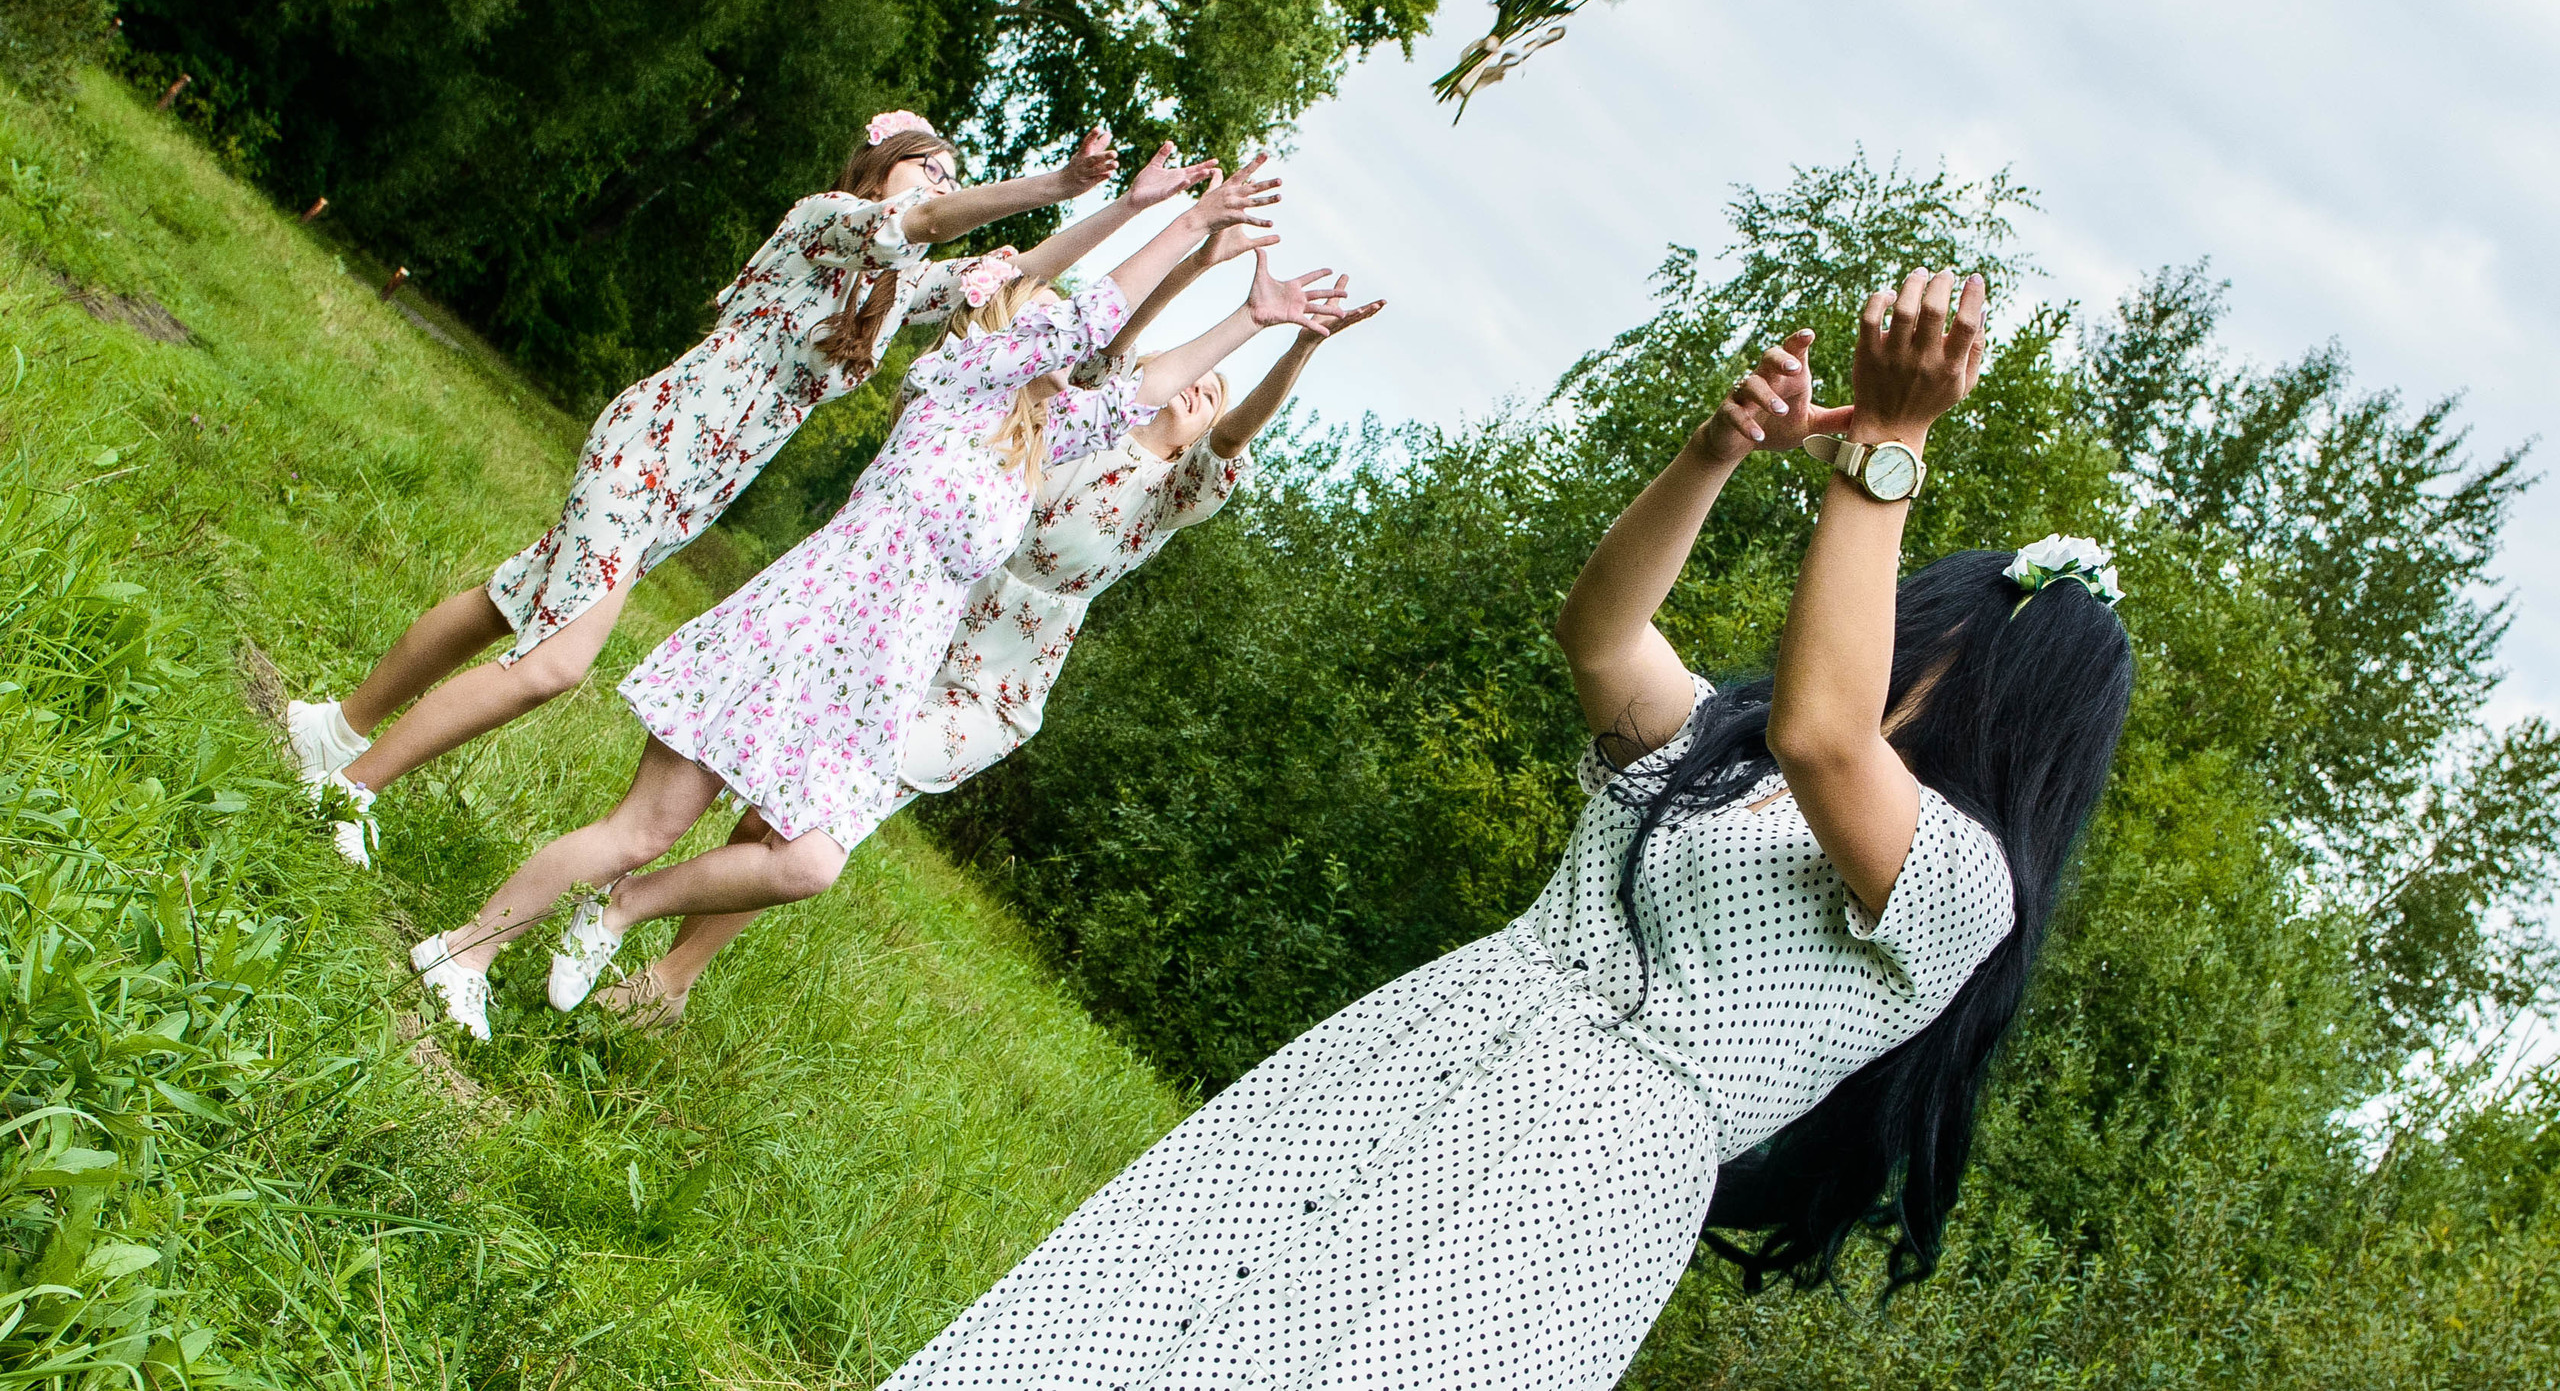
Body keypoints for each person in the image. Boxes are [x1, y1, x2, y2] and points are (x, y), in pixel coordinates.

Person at [870, 268, 2136, 1391]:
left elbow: (1826, 732)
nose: (1908, 629)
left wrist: (1892, 442)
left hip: (1578, 1177)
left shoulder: (1960, 881)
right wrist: (1712, 453)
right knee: (1171, 1297)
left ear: (2000, 698)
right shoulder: (1724, 751)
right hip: (1445, 1032)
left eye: (1941, 626)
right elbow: (1600, 635)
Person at [408, 163, 1348, 1040]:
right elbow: (1088, 318)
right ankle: (463, 951)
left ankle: (617, 911)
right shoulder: (952, 383)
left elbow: (1142, 389)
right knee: (643, 827)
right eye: (1049, 325)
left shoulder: (1033, 443)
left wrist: (1252, 319)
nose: (1074, 343)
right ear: (1005, 329)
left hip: (869, 687)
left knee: (808, 861)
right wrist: (1177, 218)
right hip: (800, 630)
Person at [283, 114, 1216, 868]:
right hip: (655, 444)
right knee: (555, 661)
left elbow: (1016, 277)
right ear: (880, 168)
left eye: (947, 172)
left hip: (693, 490)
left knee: (514, 599)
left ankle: (333, 729)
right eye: (926, 166)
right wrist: (1056, 182)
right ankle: (349, 790)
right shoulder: (827, 221)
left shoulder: (893, 294)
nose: (939, 183)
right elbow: (930, 223)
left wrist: (1129, 209)